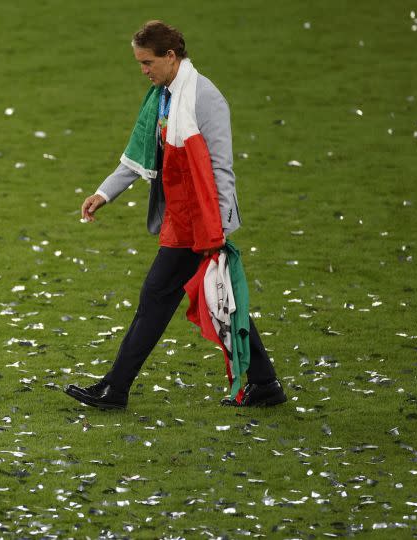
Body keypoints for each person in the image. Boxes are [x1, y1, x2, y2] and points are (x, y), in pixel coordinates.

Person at [65, 20, 286, 410]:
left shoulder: (205, 98)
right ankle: (265, 384)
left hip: (198, 223)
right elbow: (143, 156)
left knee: (157, 300)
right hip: (181, 218)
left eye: (147, 62)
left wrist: (214, 229)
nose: (143, 70)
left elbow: (221, 168)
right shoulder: (163, 96)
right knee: (224, 302)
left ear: (171, 56)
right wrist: (103, 193)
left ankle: (115, 389)